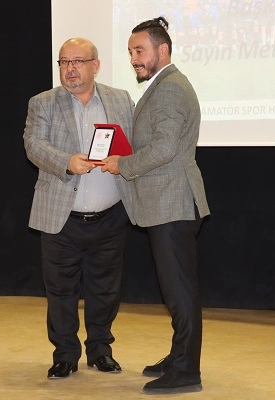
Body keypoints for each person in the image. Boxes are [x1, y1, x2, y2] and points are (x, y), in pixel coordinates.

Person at [101, 16, 210, 394]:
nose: (133, 58)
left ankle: (186, 372)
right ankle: (180, 355)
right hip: (168, 202)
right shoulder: (163, 85)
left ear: (162, 50)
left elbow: (164, 148)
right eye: (130, 52)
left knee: (180, 291)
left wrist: (123, 164)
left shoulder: (170, 88)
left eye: (140, 50)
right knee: (176, 289)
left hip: (173, 202)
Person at [23, 37, 136, 379]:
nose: (70, 69)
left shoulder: (120, 99)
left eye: (78, 61)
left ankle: (100, 351)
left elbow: (134, 144)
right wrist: (67, 161)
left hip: (110, 215)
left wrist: (124, 160)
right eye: (64, 62)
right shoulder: (43, 102)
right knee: (61, 291)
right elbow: (33, 145)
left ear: (95, 65)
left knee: (105, 290)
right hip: (61, 216)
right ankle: (65, 355)